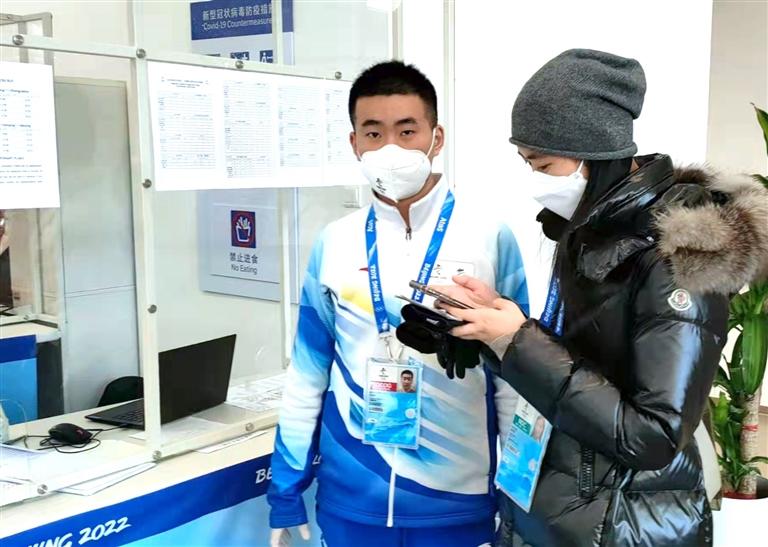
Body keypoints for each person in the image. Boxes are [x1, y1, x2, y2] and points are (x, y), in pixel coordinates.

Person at [436, 49, 768, 546]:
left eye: (543, 164)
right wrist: (495, 333)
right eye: (527, 163)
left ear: (595, 153)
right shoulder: (593, 233)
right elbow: (587, 363)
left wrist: (520, 341)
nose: (535, 181)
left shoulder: (673, 260)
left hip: (623, 523)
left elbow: (652, 435)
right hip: (567, 505)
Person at [267, 61, 529, 547]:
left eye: (407, 131)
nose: (390, 148)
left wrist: (518, 497)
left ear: (436, 137)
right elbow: (307, 372)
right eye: (374, 133)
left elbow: (517, 376)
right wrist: (285, 489)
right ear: (354, 143)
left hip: (457, 502)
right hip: (351, 503)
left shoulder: (490, 238)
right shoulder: (334, 242)